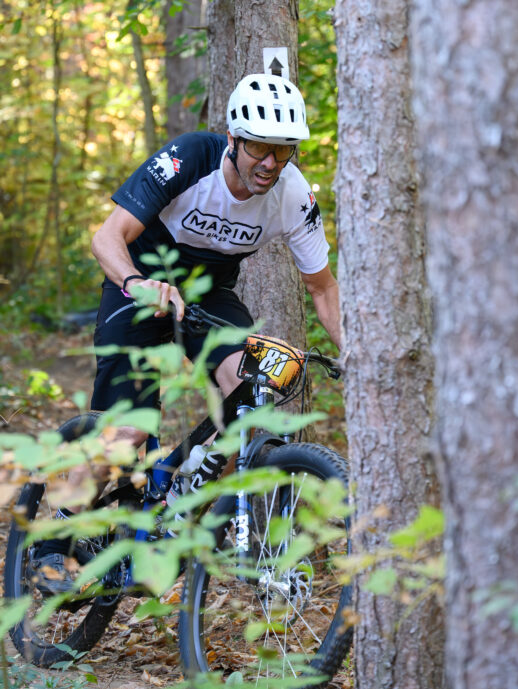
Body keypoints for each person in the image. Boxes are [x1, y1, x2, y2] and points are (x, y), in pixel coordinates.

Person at [32, 73, 340, 590]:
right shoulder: (190, 158)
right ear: (233, 139)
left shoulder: (292, 194)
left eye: (283, 150)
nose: (270, 162)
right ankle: (52, 543)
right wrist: (135, 283)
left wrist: (356, 356)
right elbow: (106, 237)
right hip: (139, 282)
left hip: (206, 294)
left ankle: (180, 499)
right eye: (259, 147)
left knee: (251, 389)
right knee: (126, 434)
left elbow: (323, 288)